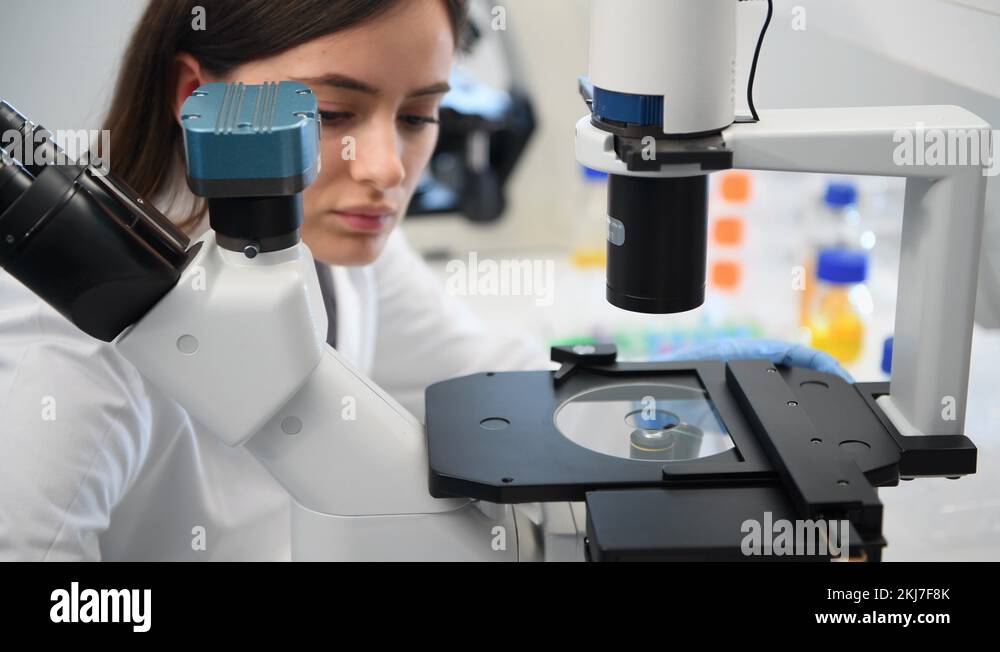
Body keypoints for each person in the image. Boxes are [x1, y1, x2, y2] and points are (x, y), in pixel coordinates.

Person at [0, 0, 847, 561]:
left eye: (416, 115)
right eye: (331, 113)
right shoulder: (80, 343)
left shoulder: (332, 252)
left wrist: (712, 374)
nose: (383, 168)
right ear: (199, 96)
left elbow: (496, 375)